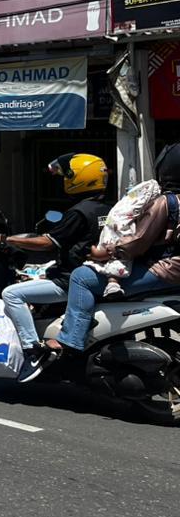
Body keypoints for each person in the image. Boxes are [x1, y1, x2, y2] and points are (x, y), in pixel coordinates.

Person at [46, 143, 180, 357]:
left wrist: (109, 251)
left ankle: (71, 339)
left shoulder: (165, 202)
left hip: (162, 271)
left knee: (81, 276)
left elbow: (138, 241)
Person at [0, 153, 111, 381]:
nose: (64, 180)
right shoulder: (107, 207)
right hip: (97, 274)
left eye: (67, 175)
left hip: (69, 281)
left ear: (78, 178)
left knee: (11, 294)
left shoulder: (78, 212)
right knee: (36, 273)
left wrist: (8, 240)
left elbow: (47, 243)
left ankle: (32, 350)